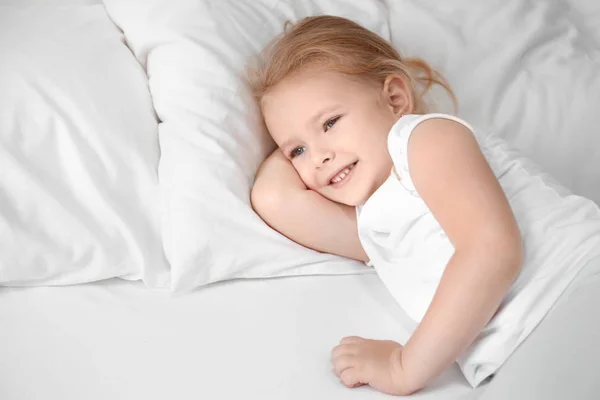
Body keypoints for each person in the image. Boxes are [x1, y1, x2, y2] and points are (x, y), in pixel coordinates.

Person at [246, 15, 600, 397]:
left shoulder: (425, 140)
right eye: (297, 150)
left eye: (330, 122)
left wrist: (403, 366)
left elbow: (492, 250)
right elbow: (274, 198)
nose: (319, 157)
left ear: (395, 98)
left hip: (573, 286)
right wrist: (293, 133)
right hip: (520, 345)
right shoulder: (371, 226)